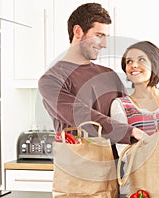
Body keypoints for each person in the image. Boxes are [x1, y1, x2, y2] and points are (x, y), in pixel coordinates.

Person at [38, 3, 144, 158]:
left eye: (106, 37)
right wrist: (130, 132)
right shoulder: (51, 79)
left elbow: (130, 113)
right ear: (78, 31)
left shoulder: (109, 75)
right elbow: (81, 115)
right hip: (78, 173)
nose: (104, 45)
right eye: (99, 35)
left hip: (117, 173)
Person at [110, 41, 159, 193]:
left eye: (141, 59)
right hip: (135, 188)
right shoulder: (120, 105)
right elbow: (124, 152)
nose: (133, 65)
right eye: (129, 61)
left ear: (155, 64)